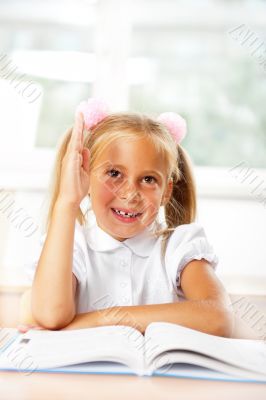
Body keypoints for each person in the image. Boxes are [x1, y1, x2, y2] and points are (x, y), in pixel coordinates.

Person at [18, 98, 234, 337]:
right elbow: (50, 315)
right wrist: (67, 202)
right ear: (85, 177)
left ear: (166, 192)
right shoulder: (72, 244)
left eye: (149, 179)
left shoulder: (180, 245)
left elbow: (218, 317)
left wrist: (97, 320)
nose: (130, 194)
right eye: (114, 173)